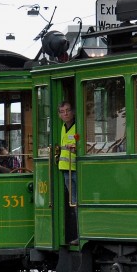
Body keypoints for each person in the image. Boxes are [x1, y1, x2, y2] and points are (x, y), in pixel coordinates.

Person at [56, 101, 79, 242]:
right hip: (66, 171)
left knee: (77, 203)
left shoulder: (77, 127)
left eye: (68, 110)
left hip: (76, 170)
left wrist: (76, 148)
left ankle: (80, 235)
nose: (65, 113)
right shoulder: (63, 128)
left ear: (73, 112)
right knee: (74, 203)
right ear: (59, 115)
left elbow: (81, 144)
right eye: (62, 111)